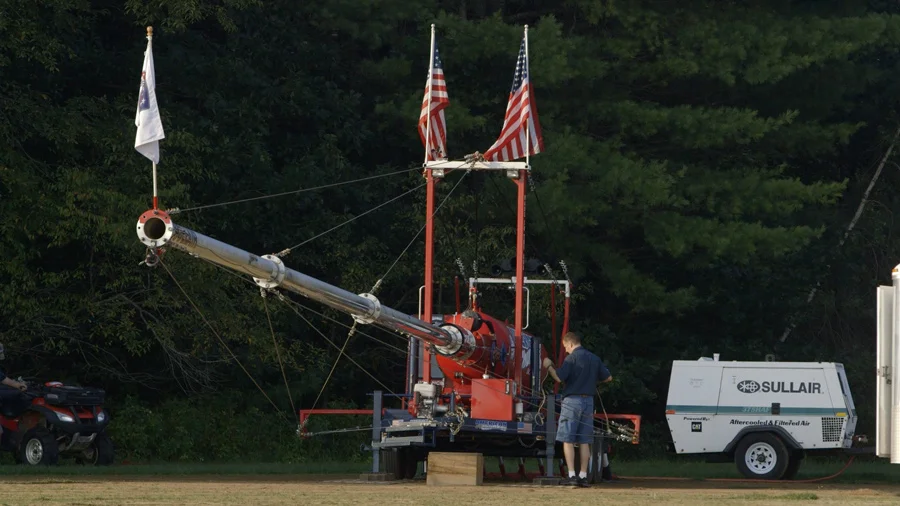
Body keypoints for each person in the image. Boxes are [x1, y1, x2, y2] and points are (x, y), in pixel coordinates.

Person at [543, 331, 612, 487]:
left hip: (572, 401)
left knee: (567, 439)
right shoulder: (594, 358)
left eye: (566, 346)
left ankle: (572, 475)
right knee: (584, 441)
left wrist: (549, 367)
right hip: (588, 401)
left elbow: (559, 378)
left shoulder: (572, 358)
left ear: (571, 344)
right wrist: (591, 382)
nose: (566, 350)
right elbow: (608, 377)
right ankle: (583, 476)